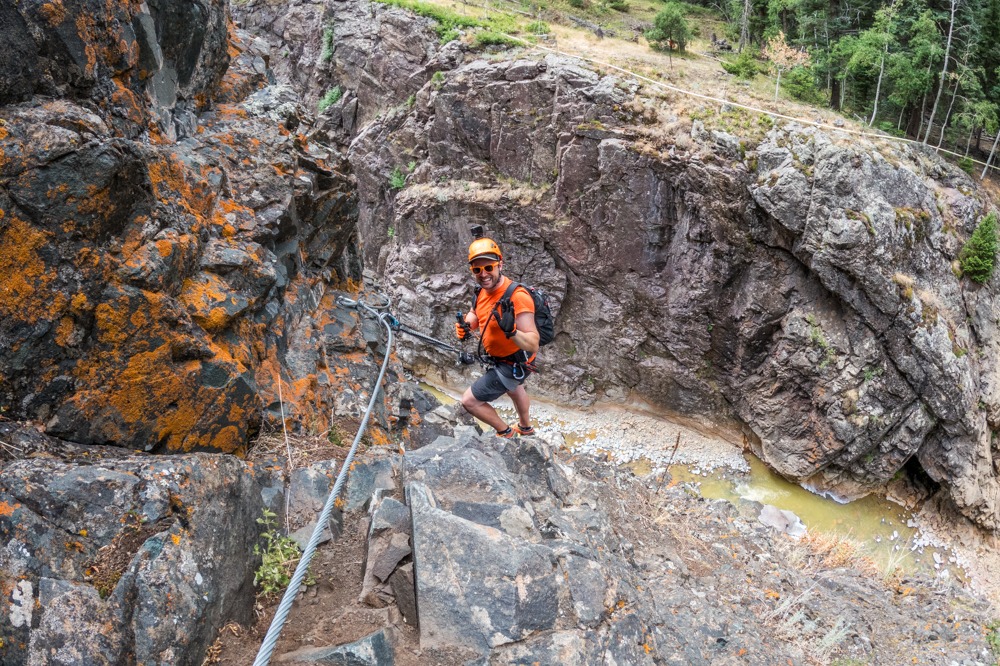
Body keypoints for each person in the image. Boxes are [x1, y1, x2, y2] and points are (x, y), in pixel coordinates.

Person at [455, 236, 539, 438]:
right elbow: (476, 313)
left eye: (488, 268)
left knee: (469, 401)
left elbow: (533, 343)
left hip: (514, 363)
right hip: (504, 359)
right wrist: (466, 325)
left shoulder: (517, 297)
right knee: (515, 389)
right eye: (477, 270)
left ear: (500, 265)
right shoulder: (481, 291)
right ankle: (526, 428)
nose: (483, 274)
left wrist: (512, 332)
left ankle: (506, 432)